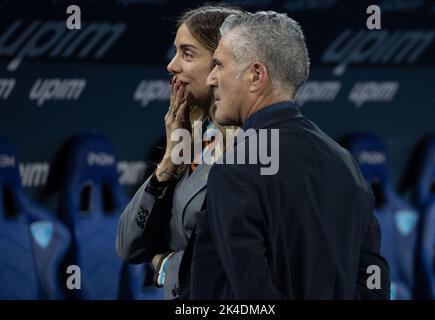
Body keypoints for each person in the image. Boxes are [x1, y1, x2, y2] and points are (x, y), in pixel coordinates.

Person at [189, 11, 390, 299]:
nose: (210, 79)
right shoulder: (346, 164)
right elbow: (373, 284)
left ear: (256, 75)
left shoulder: (237, 168)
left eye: (219, 65)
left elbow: (251, 297)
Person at [115, 4, 243, 300]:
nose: (172, 66)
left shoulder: (258, 149)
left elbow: (244, 264)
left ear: (222, 63)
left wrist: (167, 266)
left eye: (187, 54)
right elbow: (129, 244)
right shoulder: (194, 141)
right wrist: (170, 160)